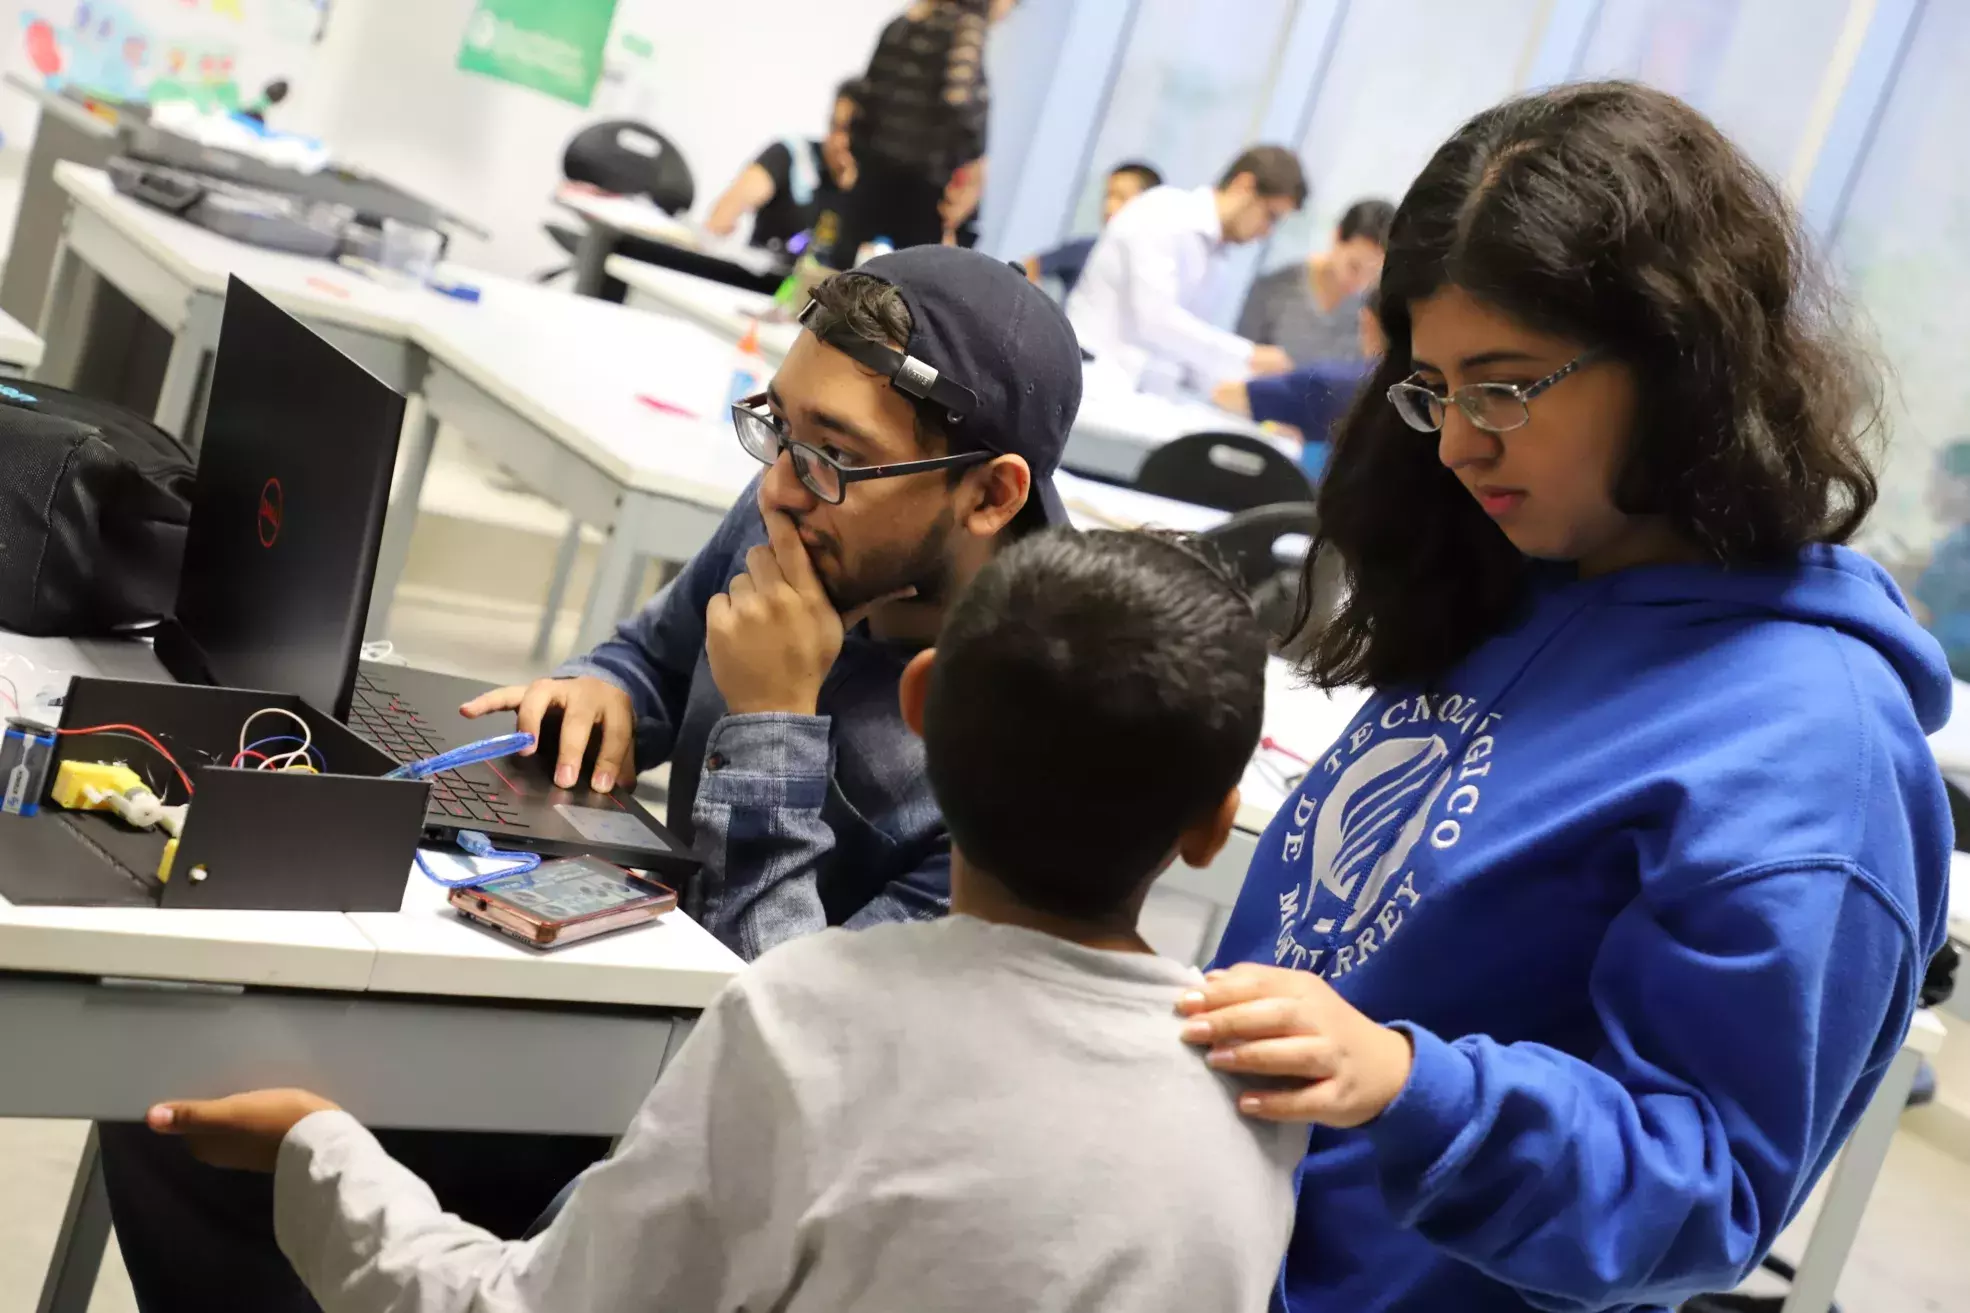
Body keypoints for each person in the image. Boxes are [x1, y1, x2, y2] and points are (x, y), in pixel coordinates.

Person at [96, 245, 1088, 1313]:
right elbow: (651, 657)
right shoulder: (801, 513)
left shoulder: (1030, 741)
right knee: (175, 1077)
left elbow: (802, 1054)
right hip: (616, 1004)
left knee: (259, 1136)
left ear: (989, 494)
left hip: (728, 1146)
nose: (777, 485)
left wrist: (771, 725)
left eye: (833, 456)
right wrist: (597, 688)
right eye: (776, 427)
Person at [1176, 81, 1951, 1312]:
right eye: (1432, 388)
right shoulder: (1527, 579)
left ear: (1679, 361)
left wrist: (1402, 1082)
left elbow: (1699, 1194)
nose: (1455, 443)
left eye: (1503, 385)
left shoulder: (1809, 748)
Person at [141, 529, 1305, 1313]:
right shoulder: (1261, 1089)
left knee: (172, 1141)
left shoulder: (807, 1013)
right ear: (1215, 820)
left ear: (919, 702)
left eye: (839, 455)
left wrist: (316, 1145)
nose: (793, 492)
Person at [1067, 145, 1305, 392]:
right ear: (1243, 186)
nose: (1267, 231)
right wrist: (1249, 355)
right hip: (1087, 378)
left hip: (1136, 392)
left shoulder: (1217, 260)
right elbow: (1155, 321)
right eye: (1270, 215)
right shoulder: (1163, 211)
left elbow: (1190, 355)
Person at [826, 0, 1018, 265]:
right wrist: (977, 162)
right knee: (915, 282)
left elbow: (866, 96)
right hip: (923, 191)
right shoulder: (967, 27)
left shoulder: (904, 22)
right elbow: (959, 100)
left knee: (843, 277)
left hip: (872, 181)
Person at [1212, 293, 1384, 481]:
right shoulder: (1415, 393)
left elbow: (1226, 395)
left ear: (1366, 319)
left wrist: (1269, 426)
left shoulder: (1329, 385)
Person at [703, 80, 860, 253]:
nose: (840, 141)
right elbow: (724, 214)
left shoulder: (874, 194)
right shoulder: (791, 154)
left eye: (850, 131)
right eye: (835, 127)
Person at [1237, 197, 1394, 367]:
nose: (1360, 283)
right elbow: (1234, 362)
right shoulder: (1273, 289)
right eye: (1354, 267)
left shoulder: (1373, 314)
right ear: (1337, 237)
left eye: (1373, 276)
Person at [1023, 159, 1163, 295]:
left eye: (1121, 197)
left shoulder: (1159, 270)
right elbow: (1032, 265)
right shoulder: (1086, 251)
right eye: (1107, 196)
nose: (1109, 206)